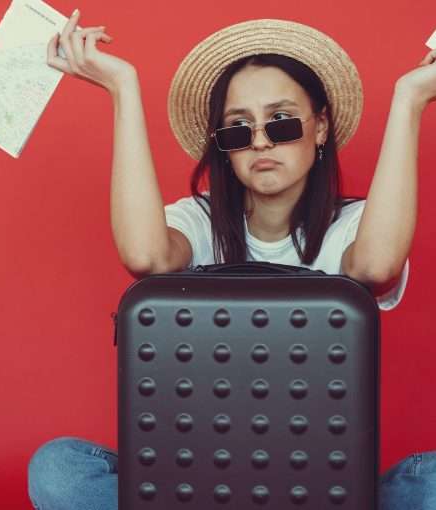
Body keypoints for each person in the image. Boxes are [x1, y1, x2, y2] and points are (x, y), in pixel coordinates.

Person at [27, 11, 436, 510]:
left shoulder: (358, 225)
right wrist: (123, 88)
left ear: (321, 127)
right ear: (224, 149)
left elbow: (375, 267)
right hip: (197, 481)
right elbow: (146, 257)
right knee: (59, 470)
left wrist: (411, 98)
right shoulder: (196, 221)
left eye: (282, 122)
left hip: (328, 485)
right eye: (238, 130)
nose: (261, 141)